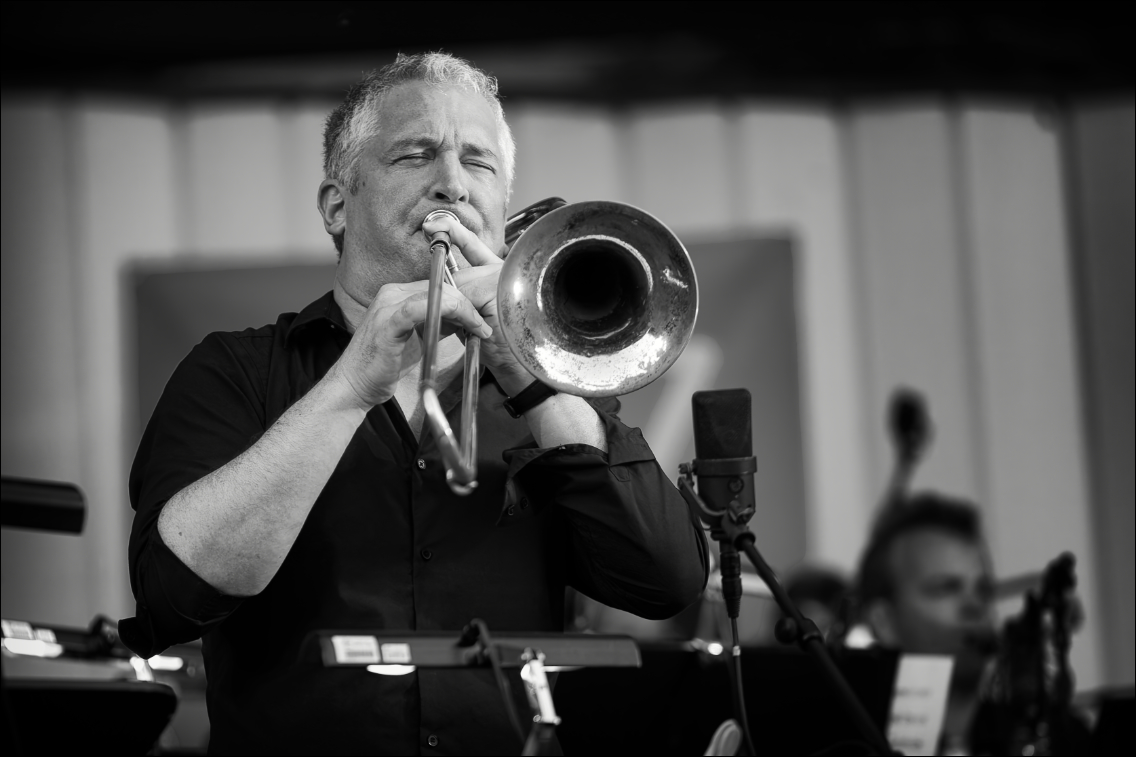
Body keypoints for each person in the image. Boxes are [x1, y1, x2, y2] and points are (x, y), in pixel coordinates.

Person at [120, 52, 708, 755]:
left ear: (499, 207)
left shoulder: (552, 393)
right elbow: (172, 596)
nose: (453, 185)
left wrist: (521, 367)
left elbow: (665, 579)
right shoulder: (236, 370)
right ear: (338, 204)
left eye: (479, 164)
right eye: (415, 154)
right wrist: (350, 385)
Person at [851, 492, 997, 753]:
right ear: (884, 621)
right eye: (946, 588)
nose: (975, 606)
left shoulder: (1057, 733)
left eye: (982, 590)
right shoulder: (848, 744)